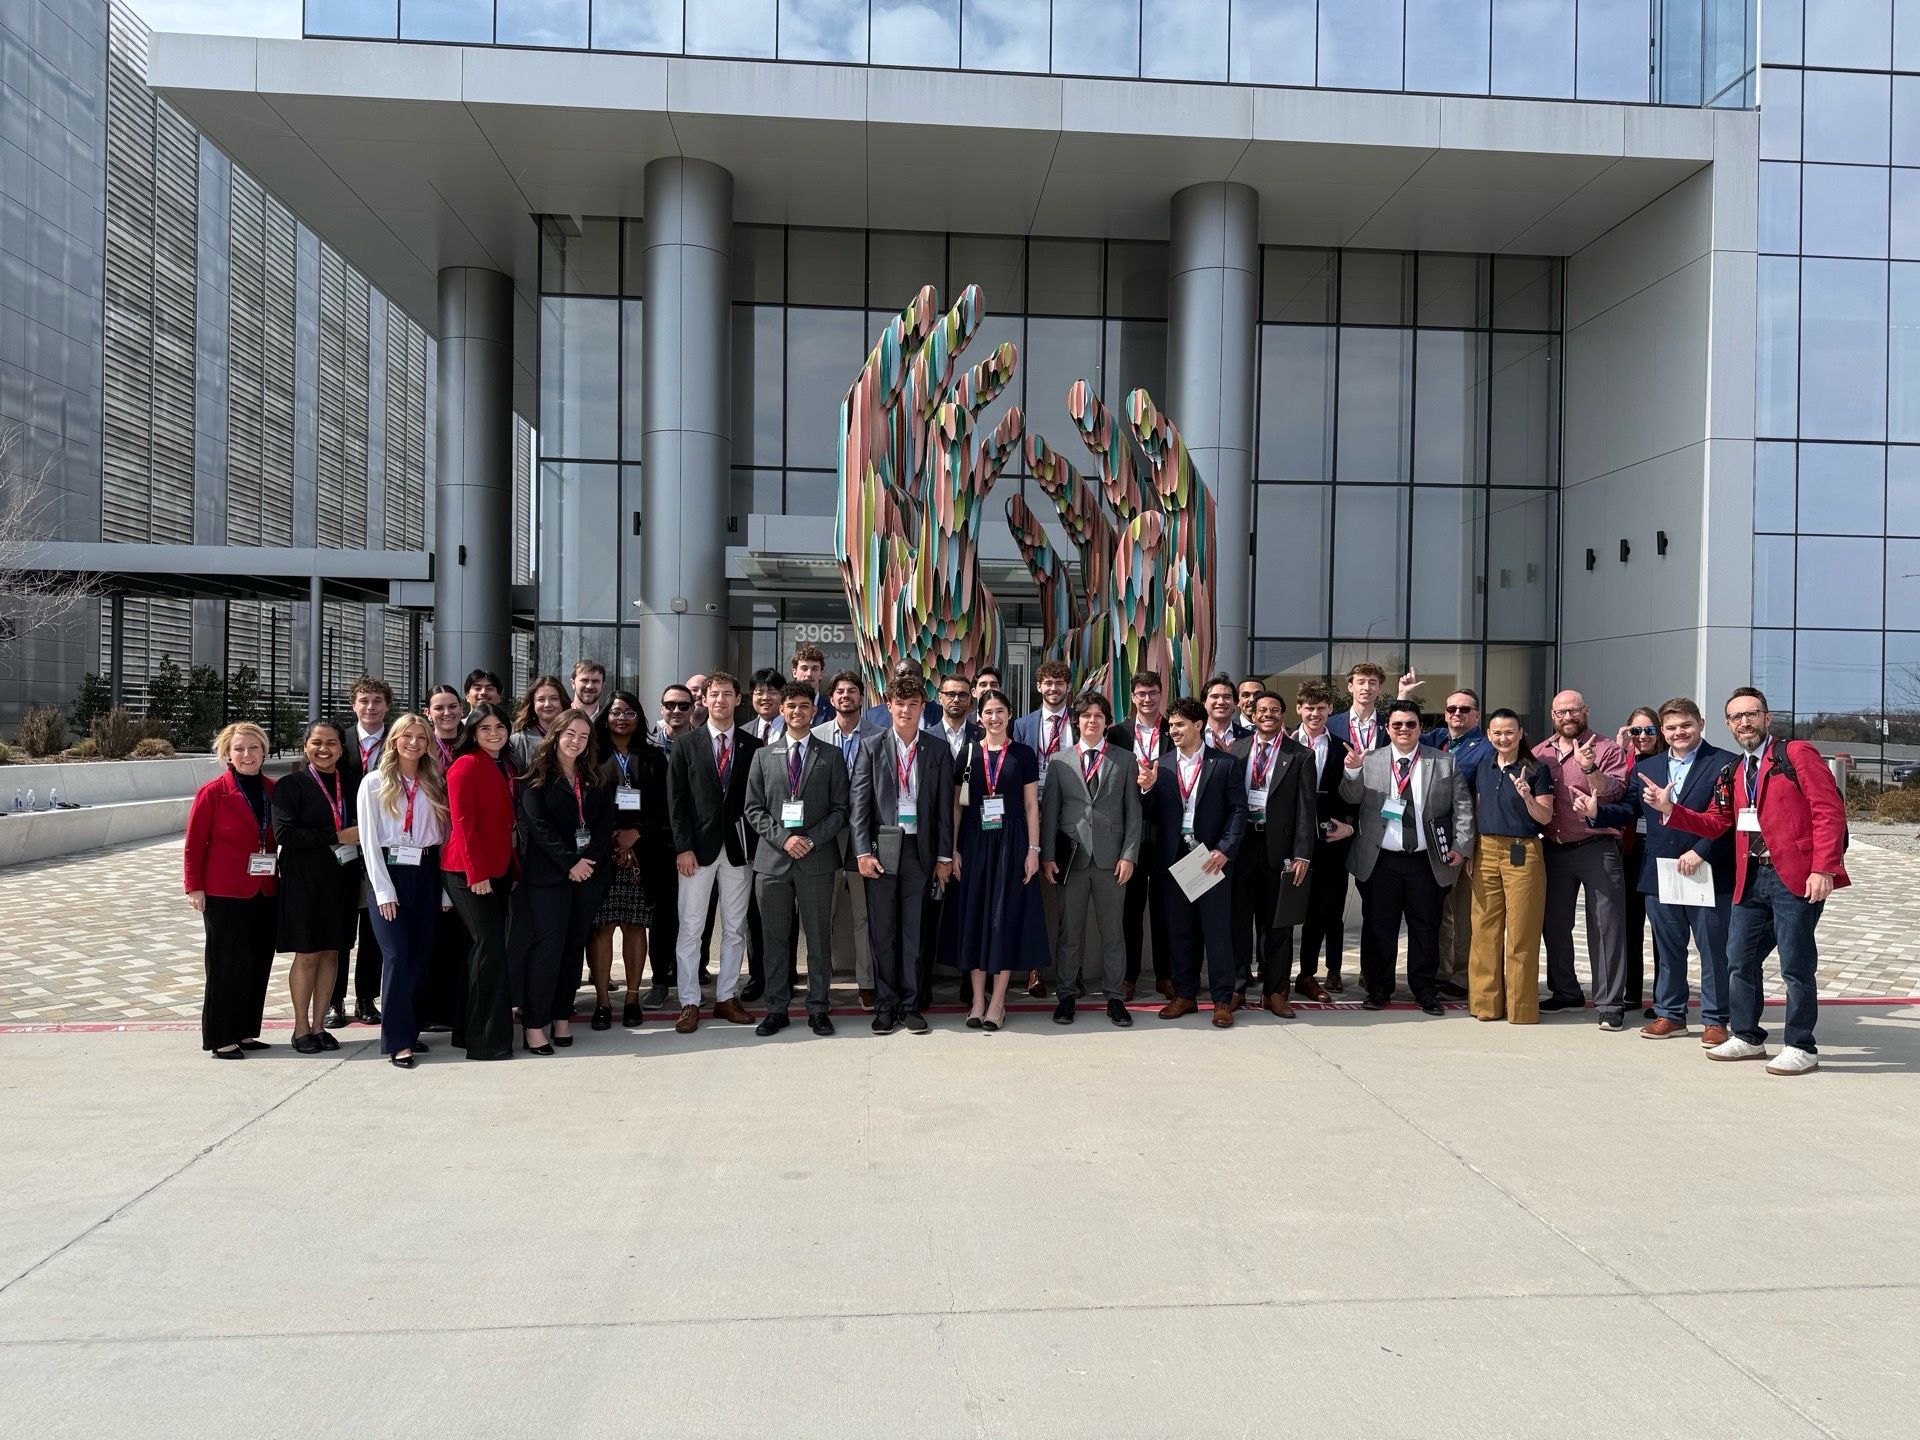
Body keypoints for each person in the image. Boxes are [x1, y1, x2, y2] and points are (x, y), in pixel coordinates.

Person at [1644, 688, 1847, 1074]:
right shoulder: (1735, 771)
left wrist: (1824, 867)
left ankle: (1801, 1045)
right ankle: (1748, 1037)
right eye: (1736, 718)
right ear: (1727, 725)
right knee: (1738, 960)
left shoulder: (1795, 754)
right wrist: (1671, 809)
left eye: (1751, 714)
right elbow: (1718, 823)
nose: (1744, 723)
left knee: (1795, 965)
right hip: (1751, 877)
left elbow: (1828, 811)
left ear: (1767, 718)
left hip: (1795, 876)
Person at [1578, 697, 1735, 1044]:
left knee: (1712, 949)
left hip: (1706, 870)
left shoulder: (1725, 764)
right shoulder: (1648, 768)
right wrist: (1597, 813)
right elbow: (1630, 810)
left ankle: (1715, 1019)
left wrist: (1702, 851)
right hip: (1660, 871)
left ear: (1701, 724)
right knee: (1669, 947)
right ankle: (1670, 1014)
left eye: (1686, 726)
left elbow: (1729, 820)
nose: (1679, 732)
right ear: (1663, 731)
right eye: (1673, 727)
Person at [1339, 698, 1474, 1015]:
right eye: (1397, 724)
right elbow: (1350, 798)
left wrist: (1462, 845)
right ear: (1388, 728)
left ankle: (1425, 990)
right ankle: (1378, 989)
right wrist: (1353, 772)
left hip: (1426, 861)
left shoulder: (1443, 762)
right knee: (1378, 928)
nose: (1403, 729)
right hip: (1380, 859)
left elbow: (1463, 808)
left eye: (1410, 724)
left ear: (1420, 727)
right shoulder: (1369, 759)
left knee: (1425, 928)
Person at [743, 682, 850, 1036]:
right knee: (774, 941)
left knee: (819, 940)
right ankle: (777, 1008)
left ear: (813, 710)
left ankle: (818, 1007)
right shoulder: (763, 755)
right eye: (790, 705)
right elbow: (753, 809)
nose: (796, 712)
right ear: (781, 709)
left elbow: (840, 810)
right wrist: (785, 839)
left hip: (816, 862)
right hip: (773, 862)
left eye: (804, 705)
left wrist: (810, 840)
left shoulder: (831, 756)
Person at [851, 672, 954, 1034]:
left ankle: (910, 1005)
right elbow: (859, 805)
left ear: (923, 707)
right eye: (900, 704)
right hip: (882, 848)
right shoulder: (871, 745)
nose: (906, 711)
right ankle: (885, 1004)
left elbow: (944, 808)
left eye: (914, 704)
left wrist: (944, 857)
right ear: (889, 706)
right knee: (883, 932)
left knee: (913, 931)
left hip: (919, 851)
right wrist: (862, 852)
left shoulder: (937, 749)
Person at [509, 708, 613, 1054]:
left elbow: (602, 827)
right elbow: (538, 828)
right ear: (556, 735)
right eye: (570, 734)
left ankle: (561, 1017)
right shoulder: (534, 778)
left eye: (584, 736)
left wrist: (586, 864)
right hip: (548, 878)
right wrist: (571, 863)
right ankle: (535, 1024)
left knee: (573, 949)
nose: (576, 742)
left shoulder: (596, 778)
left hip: (588, 876)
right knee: (547, 951)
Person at [665, 671, 762, 1033]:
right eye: (714, 694)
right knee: (691, 927)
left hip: (739, 850)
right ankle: (689, 1001)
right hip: (696, 852)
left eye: (727, 694)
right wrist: (683, 847)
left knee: (735, 928)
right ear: (703, 700)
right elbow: (676, 802)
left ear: (739, 700)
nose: (720, 699)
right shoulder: (685, 745)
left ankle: (726, 997)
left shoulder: (753, 747)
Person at [1141, 697, 1246, 1026]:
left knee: (1216, 931)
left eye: (1179, 724)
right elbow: (1152, 815)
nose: (1172, 729)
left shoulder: (1225, 764)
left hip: (1210, 858)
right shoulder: (1163, 764)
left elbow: (1238, 810)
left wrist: (1224, 850)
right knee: (1179, 931)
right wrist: (1146, 790)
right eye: (1170, 725)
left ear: (1198, 725)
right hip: (1175, 859)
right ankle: (1184, 995)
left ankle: (1221, 1000)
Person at [1534, 689, 1634, 1029]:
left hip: (1597, 847)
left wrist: (1589, 768)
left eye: (1573, 711)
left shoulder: (1607, 749)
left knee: (1606, 926)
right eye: (1561, 712)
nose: (1567, 717)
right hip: (1554, 848)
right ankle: (1566, 991)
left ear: (1585, 711)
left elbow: (1615, 791)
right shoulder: (1539, 752)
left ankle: (1609, 1003)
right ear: (1552, 715)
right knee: (1555, 923)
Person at [1040, 693, 1141, 1027]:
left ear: (1107, 722)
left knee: (1114, 933)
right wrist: (1048, 856)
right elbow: (1050, 813)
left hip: (1112, 861)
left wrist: (1129, 856)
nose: (1092, 721)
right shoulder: (1058, 760)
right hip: (1072, 859)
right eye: (1086, 715)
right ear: (1077, 721)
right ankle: (1067, 995)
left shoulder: (1125, 760)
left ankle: (1114, 998)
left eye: (1099, 715)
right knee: (1070, 932)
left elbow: (1133, 814)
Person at [356, 713, 448, 1068]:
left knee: (420, 957)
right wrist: (382, 891)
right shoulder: (374, 783)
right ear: (394, 740)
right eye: (407, 736)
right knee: (395, 956)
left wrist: (443, 891)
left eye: (421, 738)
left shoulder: (434, 782)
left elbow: (442, 838)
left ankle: (408, 1030)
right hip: (390, 871)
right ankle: (397, 1041)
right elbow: (367, 841)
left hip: (426, 873)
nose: (414, 743)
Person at [948, 688, 1043, 1030]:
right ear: (980, 717)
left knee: (1003, 919)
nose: (994, 717)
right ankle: (977, 1001)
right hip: (975, 842)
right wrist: (954, 849)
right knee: (975, 918)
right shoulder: (968, 752)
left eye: (1000, 711)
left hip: (1011, 843)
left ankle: (998, 1003)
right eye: (988, 712)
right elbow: (957, 807)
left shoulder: (1023, 754)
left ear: (1009, 715)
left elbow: (1032, 806)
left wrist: (1034, 850)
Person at [184, 721, 279, 1058]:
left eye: (253, 747)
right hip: (224, 892)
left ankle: (246, 1030)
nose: (247, 754)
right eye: (238, 748)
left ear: (265, 751)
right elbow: (195, 844)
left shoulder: (273, 789)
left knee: (256, 962)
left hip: (265, 890)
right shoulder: (212, 792)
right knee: (226, 964)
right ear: (227, 754)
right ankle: (221, 1036)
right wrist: (194, 886)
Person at [1227, 690, 1318, 1018]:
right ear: (1252, 714)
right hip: (1242, 848)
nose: (1268, 714)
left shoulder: (1300, 755)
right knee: (1238, 922)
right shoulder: (1235, 750)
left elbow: (1307, 811)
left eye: (1275, 710)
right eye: (1261, 709)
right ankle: (1237, 987)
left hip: (1280, 852)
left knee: (1278, 926)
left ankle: (1275, 991)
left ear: (1283, 715)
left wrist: (1303, 855)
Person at [271, 720, 360, 1055]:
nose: (324, 750)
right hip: (304, 881)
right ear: (305, 745)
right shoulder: (290, 785)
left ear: (341, 747)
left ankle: (320, 1025)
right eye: (317, 743)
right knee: (307, 953)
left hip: (343, 877)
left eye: (332, 743)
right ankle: (300, 1028)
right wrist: (336, 836)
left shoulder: (353, 783)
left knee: (333, 951)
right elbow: (285, 835)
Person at [1465, 710, 1556, 1024]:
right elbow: (1477, 809)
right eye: (1497, 733)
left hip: (1523, 851)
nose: (1503, 738)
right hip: (1486, 849)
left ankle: (1521, 1009)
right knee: (1484, 930)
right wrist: (1471, 852)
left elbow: (1545, 817)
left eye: (1509, 732)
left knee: (1521, 932)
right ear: (1489, 734)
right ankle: (1485, 1004)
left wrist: (1529, 797)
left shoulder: (1536, 769)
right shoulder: (1483, 766)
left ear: (1520, 733)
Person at [443, 702, 518, 1060]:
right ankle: (486, 1042)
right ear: (472, 732)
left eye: (499, 727)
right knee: (488, 949)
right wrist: (477, 875)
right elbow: (463, 825)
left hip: (499, 868)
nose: (493, 733)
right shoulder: (464, 766)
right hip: (469, 871)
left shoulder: (505, 764)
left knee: (481, 951)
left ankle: (467, 1032)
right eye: (484, 728)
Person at [589, 692, 668, 1029]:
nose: (622, 718)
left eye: (630, 712)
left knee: (636, 926)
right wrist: (610, 838)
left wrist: (636, 834)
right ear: (606, 716)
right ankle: (604, 1003)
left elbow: (665, 807)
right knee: (603, 927)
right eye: (616, 712)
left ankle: (633, 998)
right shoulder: (590, 756)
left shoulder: (654, 757)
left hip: (642, 853)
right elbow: (584, 805)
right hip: (601, 853)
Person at [1418, 687, 1490, 1001]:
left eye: (1464, 709)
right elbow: (1396, 734)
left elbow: (1483, 801)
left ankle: (1463, 978)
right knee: (1438, 911)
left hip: (1463, 842)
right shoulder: (1434, 740)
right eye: (1451, 709)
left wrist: (1471, 846)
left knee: (1464, 913)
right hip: (1431, 842)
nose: (1456, 714)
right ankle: (1440, 972)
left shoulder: (1486, 749)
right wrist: (1402, 695)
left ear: (1477, 715)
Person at [330, 674, 392, 1028]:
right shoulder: (339, 741)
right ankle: (334, 1000)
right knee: (341, 927)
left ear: (387, 705)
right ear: (354, 705)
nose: (370, 707)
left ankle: (366, 999)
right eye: (364, 701)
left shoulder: (398, 740)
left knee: (374, 928)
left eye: (377, 701)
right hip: (344, 844)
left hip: (382, 845)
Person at [1108, 668, 1172, 1001]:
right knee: (1130, 909)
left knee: (1164, 907)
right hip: (1128, 831)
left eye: (1153, 693)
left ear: (1162, 695)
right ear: (1133, 698)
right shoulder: (1116, 733)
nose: (1147, 699)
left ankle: (1165, 975)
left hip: (1164, 830)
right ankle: (1129, 975)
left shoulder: (1174, 731)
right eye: (1141, 694)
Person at [1011, 658, 1074, 995]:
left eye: (1059, 683)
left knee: (1069, 896)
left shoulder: (1080, 723)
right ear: (1038, 687)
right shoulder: (1021, 725)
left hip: (1070, 817)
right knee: (1032, 895)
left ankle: (1070, 969)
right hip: (1029, 817)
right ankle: (1035, 968)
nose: (1053, 689)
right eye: (1048, 683)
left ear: (1068, 688)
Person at [1293, 679, 1357, 1001]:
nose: (1315, 713)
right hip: (1293, 839)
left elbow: (1355, 797)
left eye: (1321, 708)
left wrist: (1348, 826)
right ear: (1299, 709)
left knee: (1325, 910)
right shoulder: (1285, 742)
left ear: (1330, 710)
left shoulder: (1342, 747)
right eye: (1309, 708)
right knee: (1287, 909)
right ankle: (1286, 974)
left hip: (1332, 841)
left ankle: (1318, 972)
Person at [641, 681, 699, 1009]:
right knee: (662, 915)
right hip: (657, 842)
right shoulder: (647, 744)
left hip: (693, 841)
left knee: (694, 915)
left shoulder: (701, 742)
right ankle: (660, 980)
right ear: (661, 707)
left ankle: (690, 974)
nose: (676, 711)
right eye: (670, 705)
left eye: (683, 705)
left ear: (693, 709)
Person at [824, 669, 878, 1009]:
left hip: (862, 834)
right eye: (840, 691)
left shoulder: (880, 734)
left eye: (852, 691)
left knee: (863, 914)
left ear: (862, 697)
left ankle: (867, 982)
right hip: (825, 836)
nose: (846, 696)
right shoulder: (815, 734)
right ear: (831, 699)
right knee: (821, 913)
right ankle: (820, 983)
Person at [420, 684, 470, 1035]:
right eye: (439, 708)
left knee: (461, 932)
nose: (447, 713)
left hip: (463, 847)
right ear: (428, 712)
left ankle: (457, 1007)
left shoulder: (472, 743)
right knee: (430, 931)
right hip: (425, 848)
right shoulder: (420, 748)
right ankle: (430, 1008)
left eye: (453, 706)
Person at [1611, 707, 1667, 1016]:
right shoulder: (1625, 761)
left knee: (1662, 927)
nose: (1642, 737)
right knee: (1630, 924)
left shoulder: (1669, 762)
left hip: (1660, 849)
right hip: (1632, 850)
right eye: (1636, 731)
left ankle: (1664, 996)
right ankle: (1632, 991)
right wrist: (1621, 751)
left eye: (1648, 731)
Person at [508, 674, 568, 773]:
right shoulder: (518, 742)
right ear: (533, 704)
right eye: (541, 699)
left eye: (554, 698)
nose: (547, 704)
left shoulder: (575, 737)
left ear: (562, 701)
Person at [1201, 675, 1250, 749]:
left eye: (1227, 697)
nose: (1221, 702)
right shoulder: (1191, 735)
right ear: (1204, 703)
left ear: (1235, 703)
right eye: (1215, 697)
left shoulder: (1250, 737)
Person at [790, 641, 832, 726]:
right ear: (794, 673)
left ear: (821, 674)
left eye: (814, 669)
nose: (809, 674)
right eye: (804, 668)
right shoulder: (784, 708)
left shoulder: (833, 709)